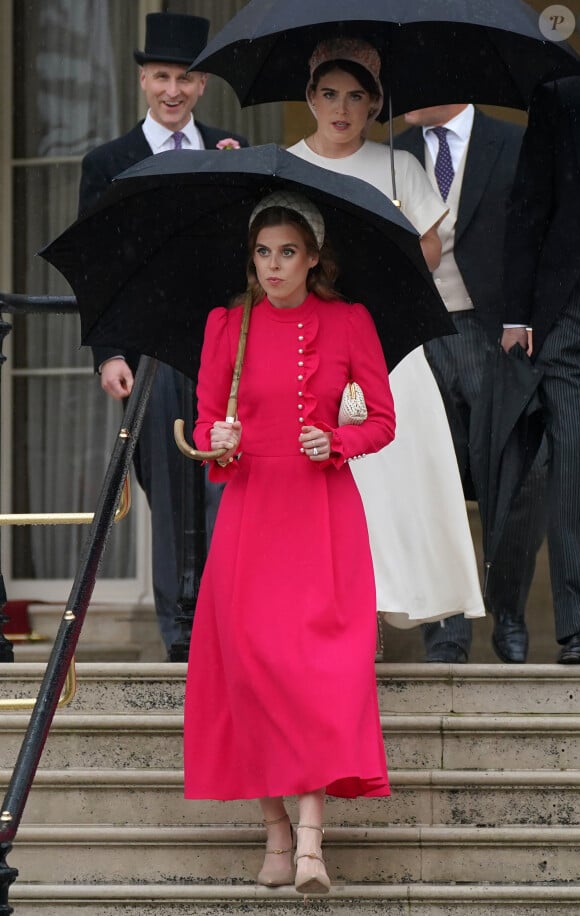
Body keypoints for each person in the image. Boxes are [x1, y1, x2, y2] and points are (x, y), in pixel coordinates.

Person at [183, 191, 395, 894]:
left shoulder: (349, 320)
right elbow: (208, 421)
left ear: (312, 259)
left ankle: (309, 842)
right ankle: (276, 831)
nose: (273, 266)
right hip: (251, 512)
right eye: (262, 253)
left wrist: (335, 440)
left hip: (322, 510)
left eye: (287, 253)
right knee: (248, 668)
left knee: (318, 673)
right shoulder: (226, 325)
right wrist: (220, 441)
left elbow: (383, 421)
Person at [288, 38, 485, 644]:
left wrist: (384, 261)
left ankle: (406, 609)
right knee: (320, 482)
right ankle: (328, 619)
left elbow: (430, 244)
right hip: (311, 342)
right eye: (329, 95)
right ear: (310, 99)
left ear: (374, 106)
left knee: (398, 479)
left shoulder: (399, 165)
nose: (341, 109)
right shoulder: (287, 163)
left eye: (355, 98)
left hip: (385, 342)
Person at [77, 12, 247, 653]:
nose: (172, 90)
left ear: (203, 84)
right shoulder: (108, 162)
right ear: (144, 81)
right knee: (169, 486)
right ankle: (182, 628)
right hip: (148, 346)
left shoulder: (230, 150)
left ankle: (224, 618)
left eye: (185, 77)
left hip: (225, 343)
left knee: (225, 480)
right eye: (160, 77)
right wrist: (107, 355)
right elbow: (95, 268)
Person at [397, 103, 547, 663]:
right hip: (415, 334)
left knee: (519, 476)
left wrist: (527, 319)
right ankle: (448, 634)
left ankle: (507, 610)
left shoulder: (513, 143)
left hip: (494, 333)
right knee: (432, 482)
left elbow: (538, 230)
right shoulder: (392, 150)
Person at [502, 76, 580, 664]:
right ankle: (577, 625)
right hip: (568, 314)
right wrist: (516, 316)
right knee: (572, 466)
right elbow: (529, 208)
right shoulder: (560, 97)